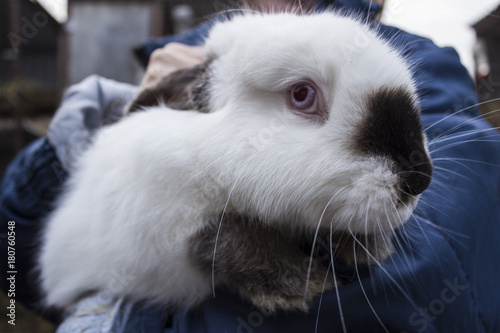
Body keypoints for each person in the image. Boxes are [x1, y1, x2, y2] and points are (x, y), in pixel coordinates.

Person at [1, 0, 500, 332]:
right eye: (303, 96)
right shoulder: (197, 67)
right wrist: (86, 124)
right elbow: (18, 260)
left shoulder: (425, 64)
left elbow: (433, 277)